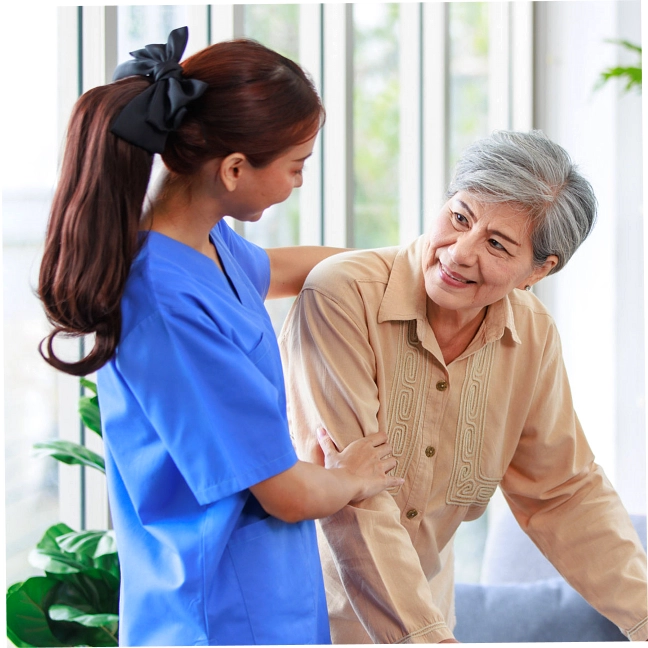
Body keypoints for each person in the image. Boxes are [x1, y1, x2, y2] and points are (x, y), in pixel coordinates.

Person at [38, 27, 402, 646]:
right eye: (296, 166)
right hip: (217, 616)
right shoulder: (162, 302)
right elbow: (285, 493)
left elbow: (286, 269)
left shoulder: (204, 246)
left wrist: (414, 268)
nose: (299, 182)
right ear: (234, 168)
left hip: (269, 594)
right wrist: (353, 477)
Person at [279, 130, 648, 643]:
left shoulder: (532, 335)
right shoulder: (343, 294)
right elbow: (352, 499)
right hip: (303, 618)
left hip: (429, 618)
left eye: (497, 244)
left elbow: (563, 492)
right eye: (459, 218)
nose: (459, 253)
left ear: (538, 271)